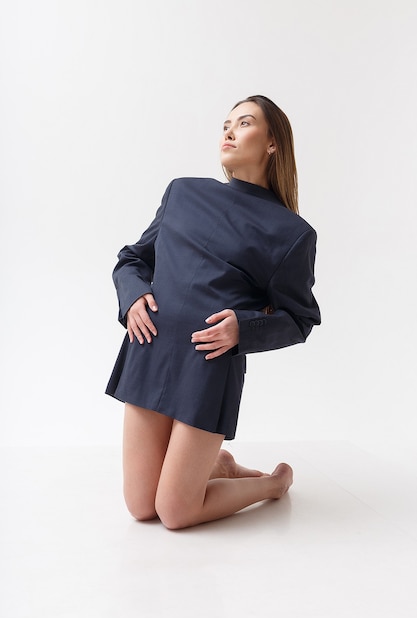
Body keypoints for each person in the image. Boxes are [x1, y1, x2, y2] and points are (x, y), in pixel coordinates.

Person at [106, 95, 321, 530]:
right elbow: (133, 259)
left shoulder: (292, 233)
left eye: (243, 123)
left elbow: (300, 318)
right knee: (141, 507)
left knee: (176, 512)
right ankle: (217, 464)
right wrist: (131, 298)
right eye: (226, 123)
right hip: (149, 348)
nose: (229, 131)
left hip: (207, 365)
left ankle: (271, 486)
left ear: (273, 143)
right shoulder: (183, 191)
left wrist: (244, 328)